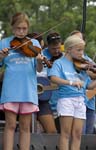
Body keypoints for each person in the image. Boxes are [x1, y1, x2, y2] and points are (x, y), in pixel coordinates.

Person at [48, 35, 96, 150]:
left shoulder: (81, 67)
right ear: (69, 49)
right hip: (66, 100)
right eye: (78, 50)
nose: (82, 53)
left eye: (82, 50)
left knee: (78, 134)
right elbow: (53, 78)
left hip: (81, 100)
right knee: (66, 134)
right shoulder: (59, 63)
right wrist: (71, 82)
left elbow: (89, 85)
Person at [0, 12, 44, 150]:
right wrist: (1, 56)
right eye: (18, 28)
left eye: (24, 29)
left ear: (28, 28)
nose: (21, 32)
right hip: (11, 89)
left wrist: (39, 61)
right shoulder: (4, 42)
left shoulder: (34, 43)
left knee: (25, 127)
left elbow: (39, 69)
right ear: (12, 28)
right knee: (10, 125)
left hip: (28, 90)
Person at [70, 30, 96, 134]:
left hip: (89, 102)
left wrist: (92, 71)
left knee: (88, 136)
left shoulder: (88, 60)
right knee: (78, 134)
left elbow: (95, 76)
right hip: (74, 101)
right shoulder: (67, 60)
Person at [35, 32, 63, 134]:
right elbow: (39, 76)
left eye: (59, 48)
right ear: (48, 45)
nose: (57, 51)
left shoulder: (64, 58)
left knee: (56, 132)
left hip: (58, 101)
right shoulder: (40, 55)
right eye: (53, 49)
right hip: (42, 97)